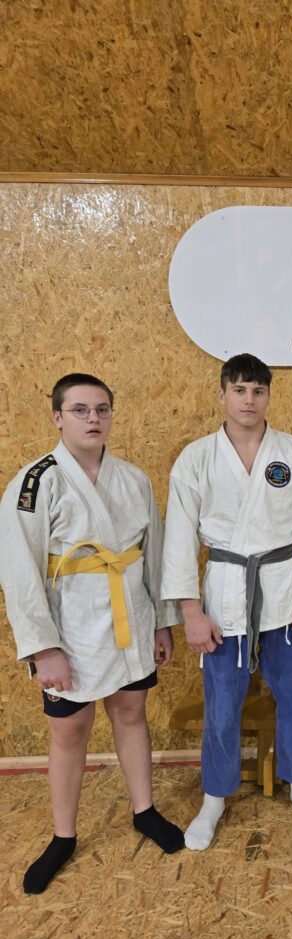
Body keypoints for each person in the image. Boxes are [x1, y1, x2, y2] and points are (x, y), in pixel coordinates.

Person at [0, 373, 184, 894]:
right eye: (80, 410)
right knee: (70, 731)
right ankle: (63, 836)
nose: (93, 419)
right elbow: (19, 571)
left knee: (130, 712)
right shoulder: (35, 483)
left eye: (101, 409)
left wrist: (162, 621)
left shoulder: (132, 478)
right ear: (57, 417)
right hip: (71, 629)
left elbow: (154, 553)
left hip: (131, 617)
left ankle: (144, 810)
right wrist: (44, 649)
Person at [161, 353, 292, 849]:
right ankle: (214, 796)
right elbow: (179, 539)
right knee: (222, 706)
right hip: (224, 594)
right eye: (239, 390)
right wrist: (190, 611)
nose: (249, 399)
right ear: (221, 395)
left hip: (285, 588)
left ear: (268, 396)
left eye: (258, 390)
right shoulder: (196, 457)